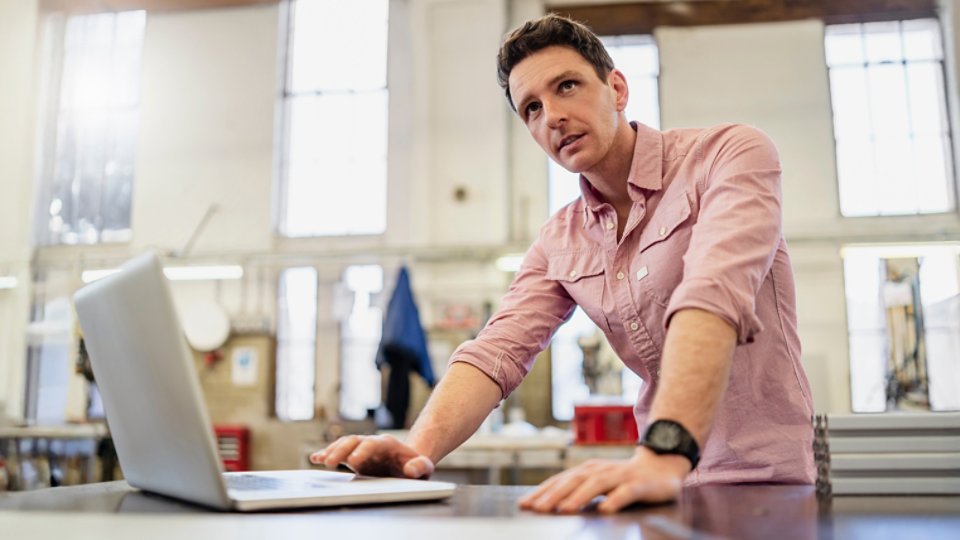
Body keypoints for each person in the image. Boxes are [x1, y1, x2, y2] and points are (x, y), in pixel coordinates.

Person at [311, 13, 815, 514]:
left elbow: (712, 293)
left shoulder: (729, 155)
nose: (550, 116)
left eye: (567, 86)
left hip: (765, 485)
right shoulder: (561, 239)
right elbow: (495, 353)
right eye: (531, 108)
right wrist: (417, 448)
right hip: (662, 489)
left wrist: (665, 450)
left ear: (617, 88)